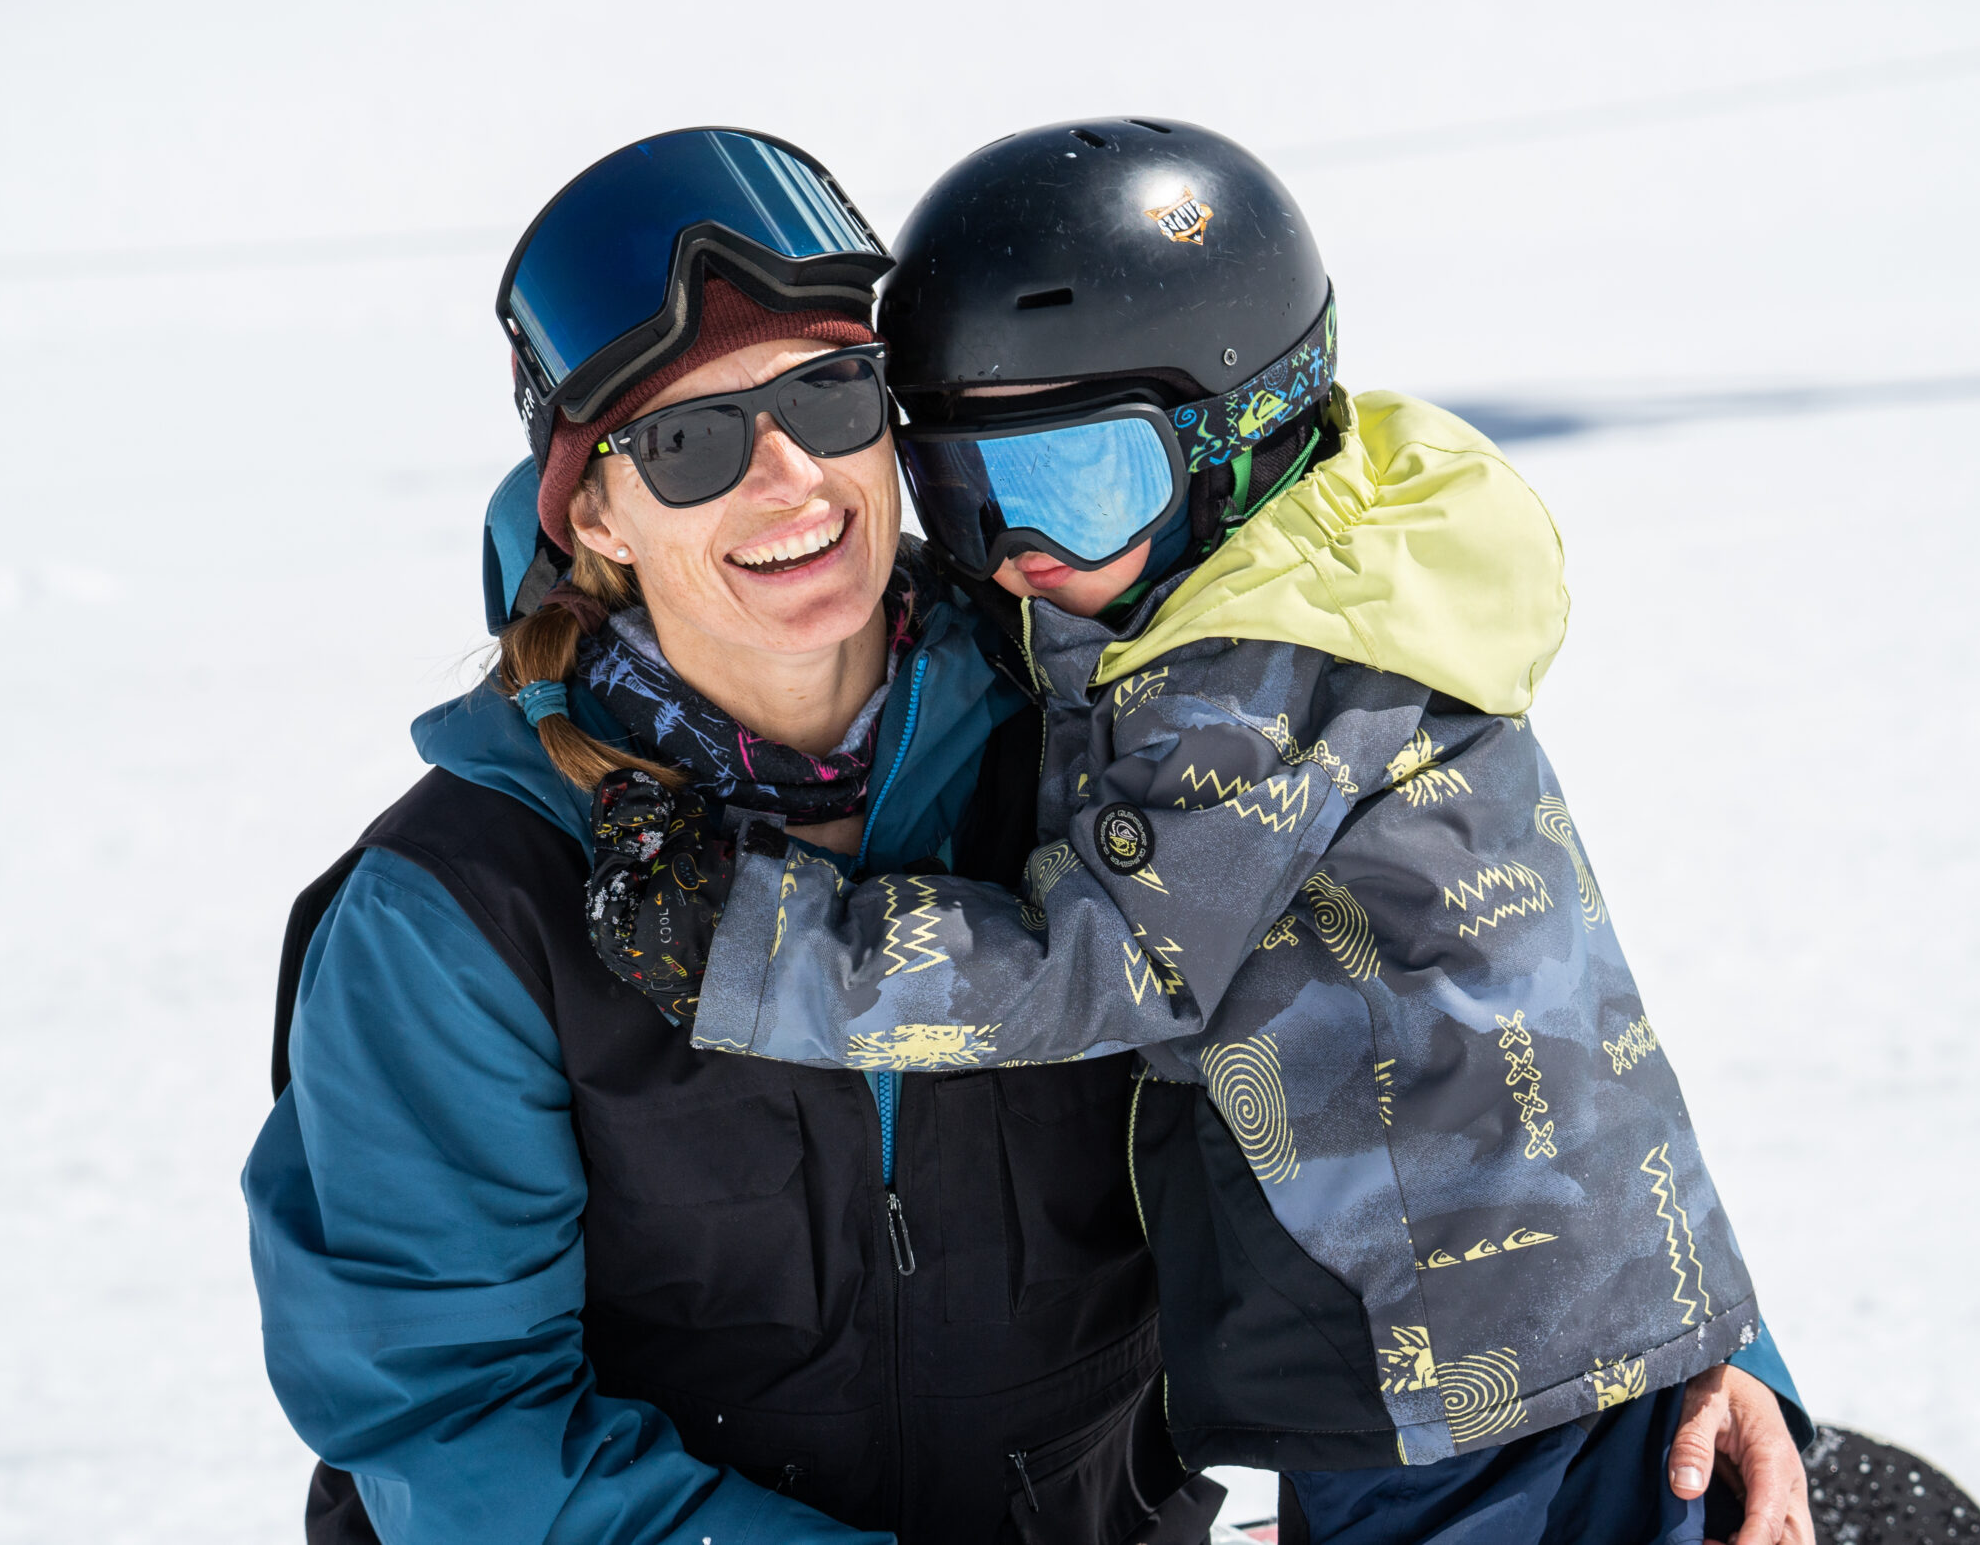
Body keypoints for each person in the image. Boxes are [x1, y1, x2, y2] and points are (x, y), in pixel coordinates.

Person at [626, 120, 1817, 1544]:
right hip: (1486, 1333)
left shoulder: (1252, 680)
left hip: (1471, 1372)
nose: (1015, 556)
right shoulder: (1299, 583)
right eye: (959, 491)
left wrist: (760, 947)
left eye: (1076, 484)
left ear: (1235, 443)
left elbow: (1109, 959)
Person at [243, 129, 1220, 1545]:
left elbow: (1392, 1054)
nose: (789, 481)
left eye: (829, 396)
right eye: (691, 443)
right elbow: (453, 1423)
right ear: (597, 511)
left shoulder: (1088, 748)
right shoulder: (463, 911)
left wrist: (1626, 1316)